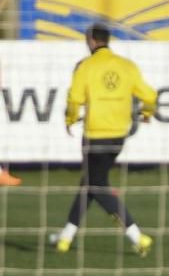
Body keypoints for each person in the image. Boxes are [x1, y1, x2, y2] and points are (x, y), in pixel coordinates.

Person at [51, 23, 157, 255]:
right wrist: (147, 114)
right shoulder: (126, 66)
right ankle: (65, 237)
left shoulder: (86, 67)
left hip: (94, 135)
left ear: (90, 40)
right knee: (90, 182)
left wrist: (70, 120)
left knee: (96, 185)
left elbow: (74, 98)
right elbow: (150, 95)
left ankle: (137, 236)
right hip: (118, 136)